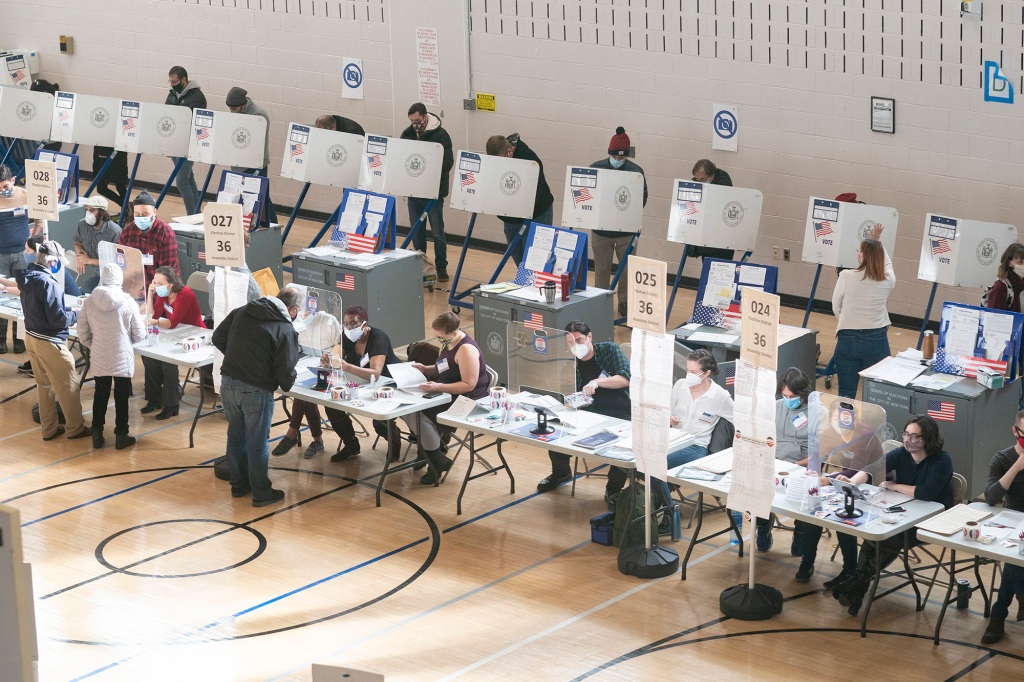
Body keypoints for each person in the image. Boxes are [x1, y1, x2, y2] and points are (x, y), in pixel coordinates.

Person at [831, 416, 953, 616]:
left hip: (932, 519)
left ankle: (855, 583)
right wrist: (852, 483)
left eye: (915, 436)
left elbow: (927, 492)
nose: (908, 440)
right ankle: (856, 588)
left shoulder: (942, 460)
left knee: (890, 538)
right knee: (875, 538)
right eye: (906, 434)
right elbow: (873, 468)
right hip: (906, 511)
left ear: (928, 439)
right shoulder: (902, 453)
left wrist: (894, 486)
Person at [212, 288, 301, 507]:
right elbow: (286, 372)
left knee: (235, 435)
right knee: (257, 442)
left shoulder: (242, 311)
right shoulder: (285, 328)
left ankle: (238, 485)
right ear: (293, 310)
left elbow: (217, 337)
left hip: (228, 382)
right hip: (256, 390)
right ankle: (261, 493)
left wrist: (238, 359)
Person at [537, 321, 631, 498]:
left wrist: (597, 382)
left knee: (622, 449)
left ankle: (613, 489)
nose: (575, 346)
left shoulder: (609, 350)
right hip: (588, 411)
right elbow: (566, 391)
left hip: (620, 412)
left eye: (579, 340)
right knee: (558, 433)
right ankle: (561, 473)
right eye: (570, 343)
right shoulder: (569, 362)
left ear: (590, 337)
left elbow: (626, 378)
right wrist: (570, 401)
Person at [796, 398, 885, 585]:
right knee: (812, 512)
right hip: (839, 483)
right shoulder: (830, 433)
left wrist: (826, 479)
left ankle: (850, 570)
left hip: (870, 487)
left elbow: (856, 469)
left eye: (844, 417)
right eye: (835, 417)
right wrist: (813, 472)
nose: (839, 421)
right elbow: (816, 457)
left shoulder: (865, 435)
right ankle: (807, 562)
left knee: (843, 518)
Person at [15, 240, 90, 441]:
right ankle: (75, 428)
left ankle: (49, 429)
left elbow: (44, 309)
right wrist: (77, 314)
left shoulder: (28, 277)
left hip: (31, 337)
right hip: (49, 341)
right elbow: (58, 320)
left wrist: (66, 311)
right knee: (69, 384)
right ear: (52, 261)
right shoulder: (49, 283)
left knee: (44, 384)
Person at [411, 312, 489, 484]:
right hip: (447, 392)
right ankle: (433, 455)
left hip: (468, 399)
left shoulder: (466, 349)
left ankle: (435, 459)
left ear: (454, 332)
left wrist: (437, 386)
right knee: (411, 409)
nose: (439, 340)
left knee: (419, 415)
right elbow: (442, 368)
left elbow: (469, 384)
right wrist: (426, 369)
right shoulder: (447, 343)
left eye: (441, 337)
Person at [76, 264, 145, 450]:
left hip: (99, 353)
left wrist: (94, 344)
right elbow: (139, 334)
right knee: (122, 397)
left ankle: (97, 434)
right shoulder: (128, 301)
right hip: (122, 354)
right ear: (119, 280)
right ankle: (121, 435)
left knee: (101, 393)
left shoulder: (90, 300)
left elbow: (81, 331)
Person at [661, 349, 734, 510]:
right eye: (688, 370)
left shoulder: (720, 396)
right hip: (673, 440)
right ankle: (662, 505)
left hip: (696, 446)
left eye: (693, 371)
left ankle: (668, 512)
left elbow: (741, 421)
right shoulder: (680, 385)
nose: (689, 375)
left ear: (707, 372)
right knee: (646, 461)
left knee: (656, 466)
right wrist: (668, 419)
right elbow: (666, 410)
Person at [588, 127, 648, 317]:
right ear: (610, 154)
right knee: (602, 269)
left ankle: (625, 302)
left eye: (622, 158)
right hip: (601, 231)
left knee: (627, 271)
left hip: (626, 232)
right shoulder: (596, 168)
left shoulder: (636, 172)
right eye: (616, 156)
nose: (618, 160)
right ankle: (601, 300)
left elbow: (642, 198)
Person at [755, 367, 813, 556]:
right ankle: (763, 526)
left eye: (792, 396)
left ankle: (800, 532)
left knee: (804, 491)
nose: (788, 400)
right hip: (775, 463)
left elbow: (822, 454)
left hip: (801, 466)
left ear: (803, 393)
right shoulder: (777, 406)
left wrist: (798, 465)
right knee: (758, 489)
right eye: (784, 395)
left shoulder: (817, 412)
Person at [831, 223, 894, 399]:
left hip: (847, 338)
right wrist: (878, 243)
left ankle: (844, 426)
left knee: (845, 393)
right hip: (877, 340)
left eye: (860, 250)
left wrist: (846, 319)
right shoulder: (888, 280)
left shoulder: (846, 276)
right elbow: (887, 264)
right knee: (877, 395)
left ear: (862, 256)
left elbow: (835, 306)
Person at [981, 411, 1024, 644]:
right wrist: (1017, 466)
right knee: (1015, 552)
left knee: (1013, 559)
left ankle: (998, 615)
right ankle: (1017, 600)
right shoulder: (1002, 459)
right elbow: (990, 497)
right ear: (1015, 432)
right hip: (1012, 520)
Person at [142, 266, 206, 420]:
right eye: (154, 282)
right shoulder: (163, 294)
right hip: (176, 333)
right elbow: (154, 314)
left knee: (167, 361)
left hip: (194, 333)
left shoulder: (185, 294)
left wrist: (155, 322)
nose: (155, 286)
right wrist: (150, 295)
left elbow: (172, 322)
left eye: (159, 283)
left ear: (170, 284)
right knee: (148, 355)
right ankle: (154, 398)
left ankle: (171, 404)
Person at [400, 102, 454, 282]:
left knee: (438, 232)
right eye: (411, 121)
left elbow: (448, 163)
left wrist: (429, 164)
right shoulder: (407, 134)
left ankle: (441, 268)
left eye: (417, 120)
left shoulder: (441, 135)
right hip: (414, 191)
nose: (415, 124)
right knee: (417, 231)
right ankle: (421, 265)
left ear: (425, 117)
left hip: (434, 192)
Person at [484, 133, 554, 266]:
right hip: (511, 216)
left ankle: (535, 284)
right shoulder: (498, 159)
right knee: (517, 257)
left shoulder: (529, 160)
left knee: (535, 260)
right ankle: (525, 283)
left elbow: (536, 194)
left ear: (509, 152)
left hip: (536, 214)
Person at [0, 164, 46, 354]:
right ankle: (1, 339)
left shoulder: (26, 196)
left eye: (4, 186)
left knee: (23, 296)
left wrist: (31, 243)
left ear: (13, 180)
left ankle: (19, 340)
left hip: (21, 254)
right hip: (0, 255)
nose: (2, 190)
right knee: (1, 296)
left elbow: (39, 220)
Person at [225, 87, 276, 226]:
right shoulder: (235, 113)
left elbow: (254, 142)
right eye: (229, 108)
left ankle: (274, 229)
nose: (231, 111)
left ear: (242, 105)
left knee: (262, 198)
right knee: (247, 198)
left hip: (255, 163)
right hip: (238, 163)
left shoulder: (259, 115)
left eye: (234, 108)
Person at [165, 66, 207, 214]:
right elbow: (166, 116)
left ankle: (191, 215)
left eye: (174, 81)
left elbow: (195, 123)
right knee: (188, 179)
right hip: (175, 143)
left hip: (189, 145)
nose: (171, 85)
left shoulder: (197, 97)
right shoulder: (172, 94)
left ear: (184, 80)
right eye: (170, 81)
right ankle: (197, 213)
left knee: (182, 181)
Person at [117, 190, 180, 289]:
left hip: (160, 288)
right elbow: (121, 261)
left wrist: (151, 297)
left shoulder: (165, 233)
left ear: (155, 212)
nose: (141, 218)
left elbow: (167, 273)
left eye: (145, 214)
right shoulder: (128, 232)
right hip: (134, 287)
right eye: (137, 214)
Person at [73, 195, 122, 293]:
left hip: (113, 277)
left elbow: (117, 262)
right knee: (82, 293)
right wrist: (80, 256)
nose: (88, 213)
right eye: (87, 210)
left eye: (92, 210)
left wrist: (89, 260)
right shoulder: (82, 225)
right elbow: (77, 243)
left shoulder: (114, 231)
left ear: (102, 213)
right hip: (98, 275)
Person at [689, 159, 735, 261]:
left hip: (722, 235)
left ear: (711, 176)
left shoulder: (723, 183)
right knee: (707, 263)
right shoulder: (697, 183)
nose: (699, 182)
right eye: (697, 179)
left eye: (703, 179)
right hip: (706, 235)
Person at [984, 243, 1024, 312]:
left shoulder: (1021, 285)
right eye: (1020, 262)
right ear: (1009, 263)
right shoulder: (1001, 287)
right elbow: (992, 317)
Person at [91, 146, 128, 213]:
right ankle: (126, 206)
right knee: (101, 189)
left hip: (118, 156)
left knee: (120, 187)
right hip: (102, 157)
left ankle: (126, 209)